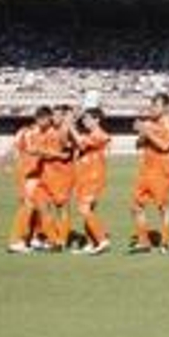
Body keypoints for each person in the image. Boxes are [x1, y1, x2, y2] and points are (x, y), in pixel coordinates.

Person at [130, 92, 169, 253]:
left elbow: (165, 146)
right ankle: (144, 241)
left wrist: (147, 132)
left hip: (163, 172)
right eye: (151, 104)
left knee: (163, 207)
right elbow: (138, 145)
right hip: (146, 170)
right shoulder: (148, 123)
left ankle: (164, 242)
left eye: (156, 105)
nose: (152, 108)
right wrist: (140, 134)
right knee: (136, 206)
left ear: (166, 107)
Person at [6, 106, 51, 253]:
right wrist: (8, 164)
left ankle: (35, 238)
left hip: (39, 174)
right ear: (40, 119)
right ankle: (15, 241)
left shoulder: (46, 133)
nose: (49, 123)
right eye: (47, 120)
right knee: (28, 205)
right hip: (27, 173)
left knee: (40, 206)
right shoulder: (26, 132)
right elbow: (15, 148)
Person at [69, 107, 112, 255]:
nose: (85, 121)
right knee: (88, 210)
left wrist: (70, 126)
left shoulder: (100, 134)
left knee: (84, 209)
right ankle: (90, 242)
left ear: (97, 120)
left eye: (88, 118)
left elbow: (81, 143)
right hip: (84, 176)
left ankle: (101, 240)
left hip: (93, 177)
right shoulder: (90, 134)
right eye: (84, 118)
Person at [37, 104, 76, 251]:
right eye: (54, 115)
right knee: (42, 207)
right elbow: (38, 150)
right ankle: (53, 239)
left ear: (64, 117)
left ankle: (62, 240)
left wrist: (45, 152)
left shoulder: (67, 132)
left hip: (61, 175)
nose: (55, 118)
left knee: (62, 208)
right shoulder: (48, 131)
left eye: (59, 115)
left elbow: (67, 153)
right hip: (45, 174)